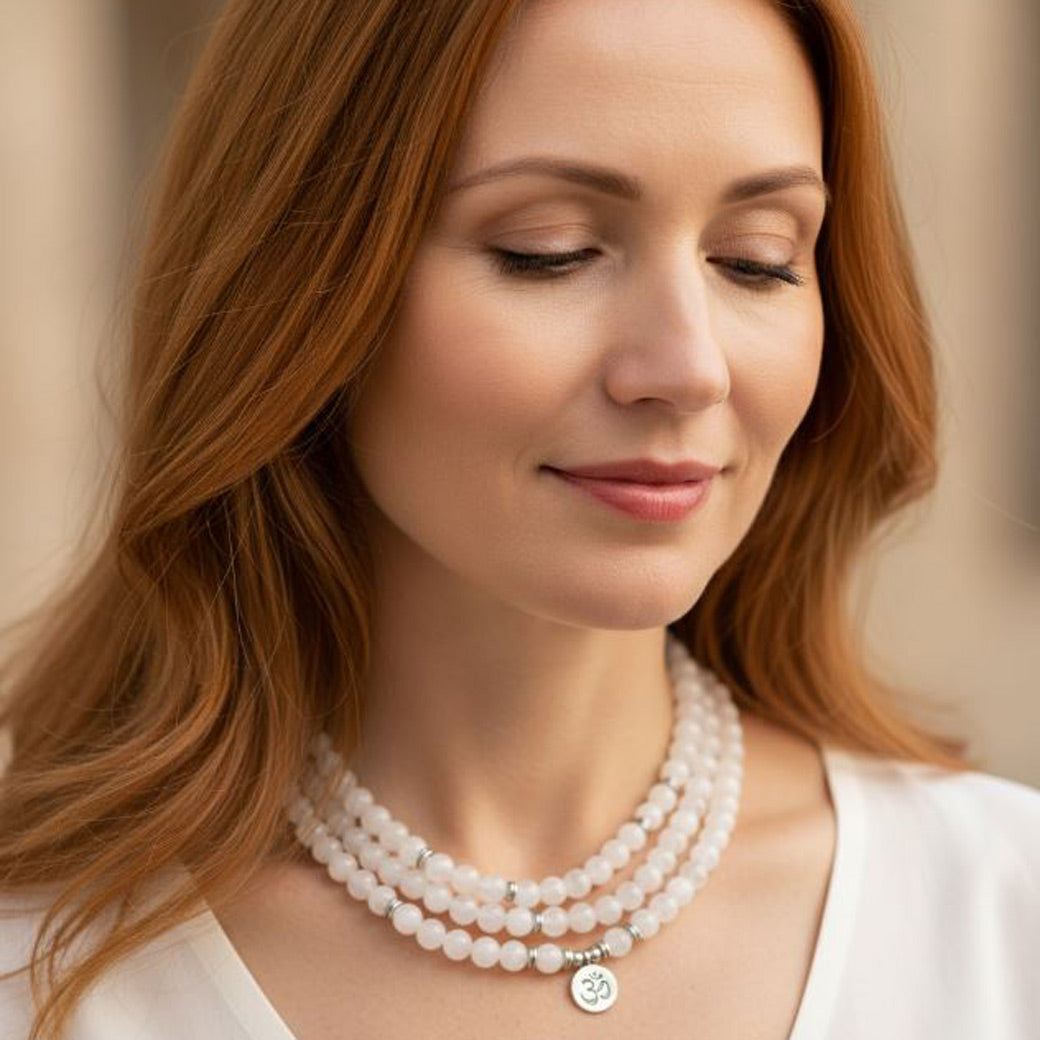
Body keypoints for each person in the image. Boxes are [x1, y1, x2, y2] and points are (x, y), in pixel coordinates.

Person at [1, 0, 1038, 1036]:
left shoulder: (998, 912)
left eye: (756, 259)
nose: (686, 367)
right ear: (301, 287)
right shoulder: (40, 957)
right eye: (550, 250)